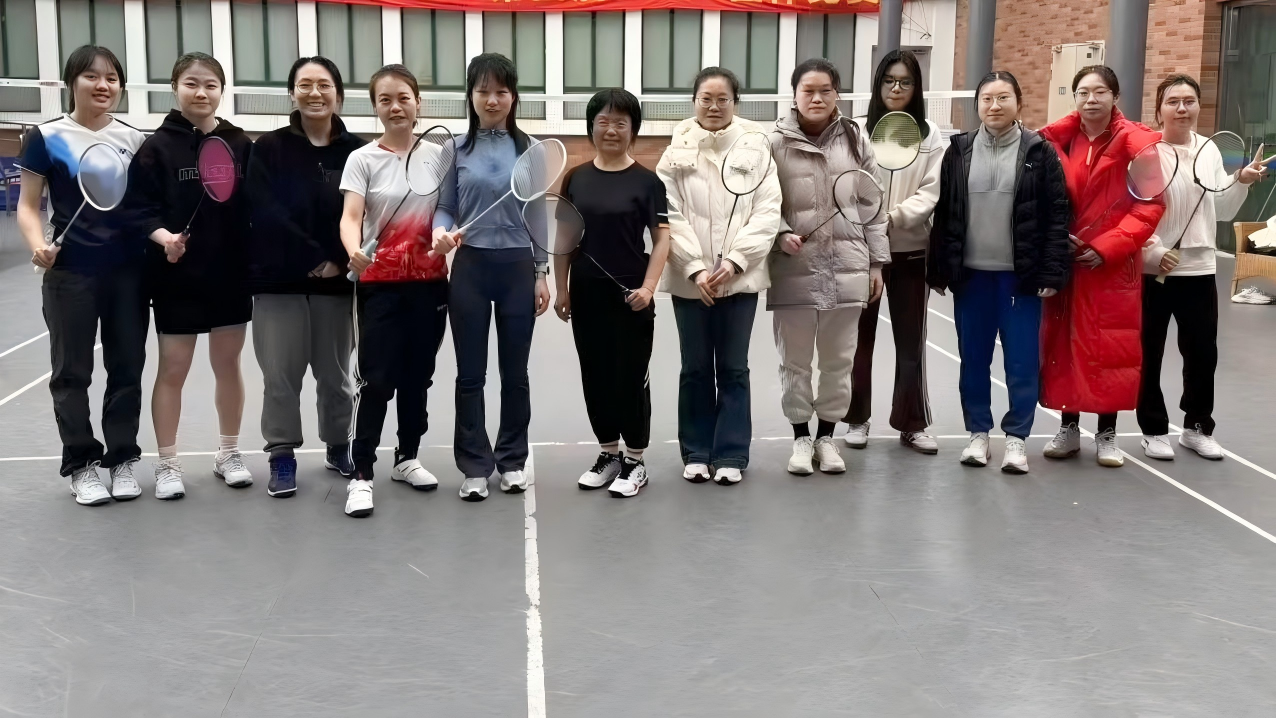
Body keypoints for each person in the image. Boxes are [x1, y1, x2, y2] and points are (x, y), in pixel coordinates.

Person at [16, 46, 148, 506]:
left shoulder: (133, 139)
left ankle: (123, 458)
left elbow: (142, 209)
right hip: (70, 270)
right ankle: (81, 465)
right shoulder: (46, 136)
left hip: (128, 271)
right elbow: (28, 205)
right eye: (92, 76)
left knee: (127, 367)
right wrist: (37, 244)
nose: (103, 85)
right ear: (71, 82)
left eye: (112, 78)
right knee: (71, 371)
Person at [927, 71, 1072, 474]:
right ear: (977, 105)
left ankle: (1016, 438)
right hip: (972, 278)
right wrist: (940, 268)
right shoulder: (958, 150)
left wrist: (1050, 272)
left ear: (1019, 103)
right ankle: (978, 433)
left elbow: (1057, 214)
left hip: (1019, 278)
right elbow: (945, 213)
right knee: (973, 360)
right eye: (987, 98)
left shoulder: (1040, 151)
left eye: (1003, 97)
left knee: (1022, 362)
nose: (994, 106)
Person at [124, 52, 253, 499]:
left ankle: (229, 453)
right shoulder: (156, 147)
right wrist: (165, 239)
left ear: (222, 91)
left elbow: (253, 205)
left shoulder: (239, 143)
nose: (202, 92)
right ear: (175, 88)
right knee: (173, 368)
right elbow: (139, 209)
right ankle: (167, 463)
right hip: (176, 277)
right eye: (192, 84)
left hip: (230, 274)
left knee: (228, 364)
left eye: (211, 84)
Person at [244, 56, 367, 497]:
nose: (315, 93)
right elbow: (264, 210)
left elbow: (363, 214)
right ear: (292, 94)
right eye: (305, 85)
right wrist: (313, 256)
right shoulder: (268, 148)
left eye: (324, 84)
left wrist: (336, 259)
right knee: (280, 375)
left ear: (338, 94)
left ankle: (338, 444)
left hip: (337, 283)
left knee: (336, 376)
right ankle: (281, 455)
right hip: (279, 281)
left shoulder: (357, 151)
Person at [431, 53, 551, 502]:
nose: (492, 99)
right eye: (483, 91)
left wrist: (541, 272)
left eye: (501, 91)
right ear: (471, 96)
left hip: (518, 268)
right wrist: (440, 231)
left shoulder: (531, 150)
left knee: (515, 373)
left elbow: (536, 215)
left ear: (513, 96)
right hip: (471, 269)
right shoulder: (455, 148)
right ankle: (475, 466)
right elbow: (445, 206)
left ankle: (513, 461)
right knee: (470, 375)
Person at [656, 67, 782, 486]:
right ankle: (696, 451)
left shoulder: (757, 147)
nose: (714, 106)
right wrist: (694, 268)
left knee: (733, 368)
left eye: (722, 99)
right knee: (694, 367)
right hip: (690, 281)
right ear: (694, 102)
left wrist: (735, 262)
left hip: (739, 281)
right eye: (705, 99)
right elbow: (668, 214)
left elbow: (767, 211)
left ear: (735, 103)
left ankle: (730, 453)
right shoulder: (675, 150)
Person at [1038, 65, 1166, 467]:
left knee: (1110, 348)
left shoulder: (1139, 146)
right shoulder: (1055, 141)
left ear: (1115, 97)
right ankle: (1069, 426)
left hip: (1112, 266)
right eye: (1083, 92)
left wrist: (1107, 246)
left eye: (1100, 91)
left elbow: (1150, 206)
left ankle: (1107, 433)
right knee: (1064, 345)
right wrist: (1056, 238)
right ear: (1074, 97)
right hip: (1068, 262)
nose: (1091, 99)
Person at [338, 65, 451, 518]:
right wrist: (353, 250)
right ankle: (361, 473)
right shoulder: (362, 159)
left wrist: (447, 237)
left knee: (417, 376)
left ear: (418, 102)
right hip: (379, 285)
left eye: (403, 97)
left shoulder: (440, 155)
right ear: (376, 107)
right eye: (385, 99)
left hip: (430, 285)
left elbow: (448, 211)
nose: (396, 106)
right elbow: (351, 216)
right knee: (377, 379)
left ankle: (407, 458)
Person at [1137, 74, 1268, 462]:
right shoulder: (1146, 152)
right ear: (1159, 110)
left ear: (1198, 106)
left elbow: (1221, 208)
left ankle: (1196, 428)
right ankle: (1153, 430)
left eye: (1189, 101)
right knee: (1148, 353)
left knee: (1202, 354)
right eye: (1173, 101)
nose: (1182, 108)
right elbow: (1135, 211)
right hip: (1153, 270)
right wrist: (1154, 251)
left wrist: (1241, 181)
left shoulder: (1210, 150)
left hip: (1199, 269)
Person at [768, 59, 887, 476]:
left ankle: (826, 437)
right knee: (795, 361)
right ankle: (801, 437)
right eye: (808, 90)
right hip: (793, 267)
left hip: (849, 266)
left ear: (837, 94)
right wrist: (780, 233)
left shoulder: (856, 138)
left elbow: (873, 204)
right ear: (795, 95)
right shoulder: (774, 142)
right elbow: (764, 202)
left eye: (825, 90)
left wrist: (877, 263)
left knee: (839, 360)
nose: (816, 98)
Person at [555, 89, 670, 498]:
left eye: (621, 122)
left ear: (633, 129)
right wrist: (562, 288)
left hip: (631, 295)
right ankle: (608, 453)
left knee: (631, 376)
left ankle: (635, 460)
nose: (611, 129)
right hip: (586, 293)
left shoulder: (648, 182)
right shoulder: (576, 178)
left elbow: (662, 239)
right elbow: (565, 238)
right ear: (591, 127)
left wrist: (649, 288)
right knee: (595, 373)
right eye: (603, 121)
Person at [844, 50, 946, 455]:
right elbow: (847, 183)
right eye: (889, 80)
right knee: (858, 341)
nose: (897, 88)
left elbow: (932, 191)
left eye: (905, 81)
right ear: (878, 84)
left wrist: (893, 218)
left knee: (910, 343)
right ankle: (856, 418)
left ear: (916, 87)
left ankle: (912, 423)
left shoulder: (930, 134)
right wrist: (869, 223)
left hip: (910, 251)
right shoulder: (856, 130)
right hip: (862, 253)